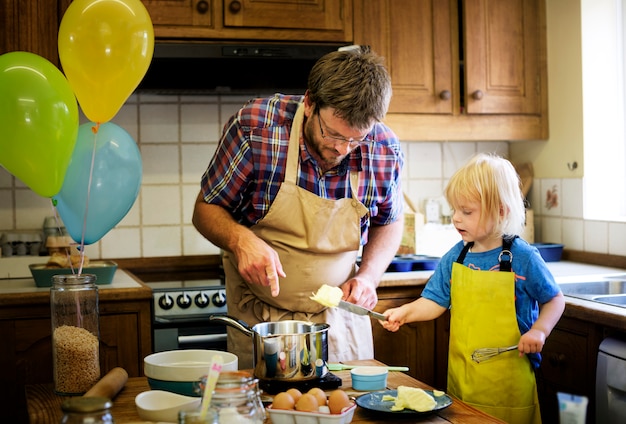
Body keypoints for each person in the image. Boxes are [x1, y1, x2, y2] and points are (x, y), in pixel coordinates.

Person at [192, 48, 405, 369]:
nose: (341, 149)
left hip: (339, 320)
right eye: (331, 133)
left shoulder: (384, 150)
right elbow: (205, 210)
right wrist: (240, 240)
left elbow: (390, 222)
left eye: (355, 140)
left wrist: (368, 278)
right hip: (260, 319)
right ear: (309, 103)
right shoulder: (256, 130)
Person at [380, 153, 565, 424]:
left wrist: (540, 330)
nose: (456, 218)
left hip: (510, 389)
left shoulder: (523, 258)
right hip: (462, 383)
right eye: (454, 209)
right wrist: (405, 312)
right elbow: (435, 301)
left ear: (501, 211)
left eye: (466, 212)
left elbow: (555, 300)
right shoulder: (456, 256)